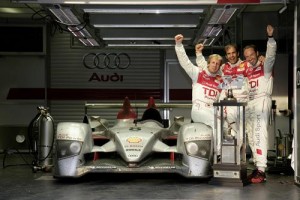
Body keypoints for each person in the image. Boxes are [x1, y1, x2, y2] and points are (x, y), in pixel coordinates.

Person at [174, 34, 223, 155]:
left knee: (228, 126)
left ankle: (219, 154)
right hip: (199, 109)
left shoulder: (221, 79)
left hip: (213, 110)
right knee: (216, 124)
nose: (215, 65)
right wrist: (179, 45)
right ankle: (219, 155)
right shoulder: (198, 73)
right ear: (208, 63)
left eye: (217, 64)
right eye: (213, 62)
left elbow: (238, 81)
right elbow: (185, 62)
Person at [243, 25, 277, 183]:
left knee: (259, 133)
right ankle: (257, 167)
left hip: (262, 100)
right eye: (246, 56)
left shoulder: (266, 66)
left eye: (251, 55)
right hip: (250, 103)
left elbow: (270, 56)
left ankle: (262, 170)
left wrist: (270, 39)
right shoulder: (247, 69)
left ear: (257, 53)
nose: (249, 58)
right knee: (251, 135)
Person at [195, 43, 249, 139]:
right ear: (226, 56)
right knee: (231, 129)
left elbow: (258, 65)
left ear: (238, 53)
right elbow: (207, 67)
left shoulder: (246, 65)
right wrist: (199, 54)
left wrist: (262, 59)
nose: (231, 56)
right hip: (229, 104)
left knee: (247, 131)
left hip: (243, 103)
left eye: (233, 53)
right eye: (229, 54)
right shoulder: (223, 67)